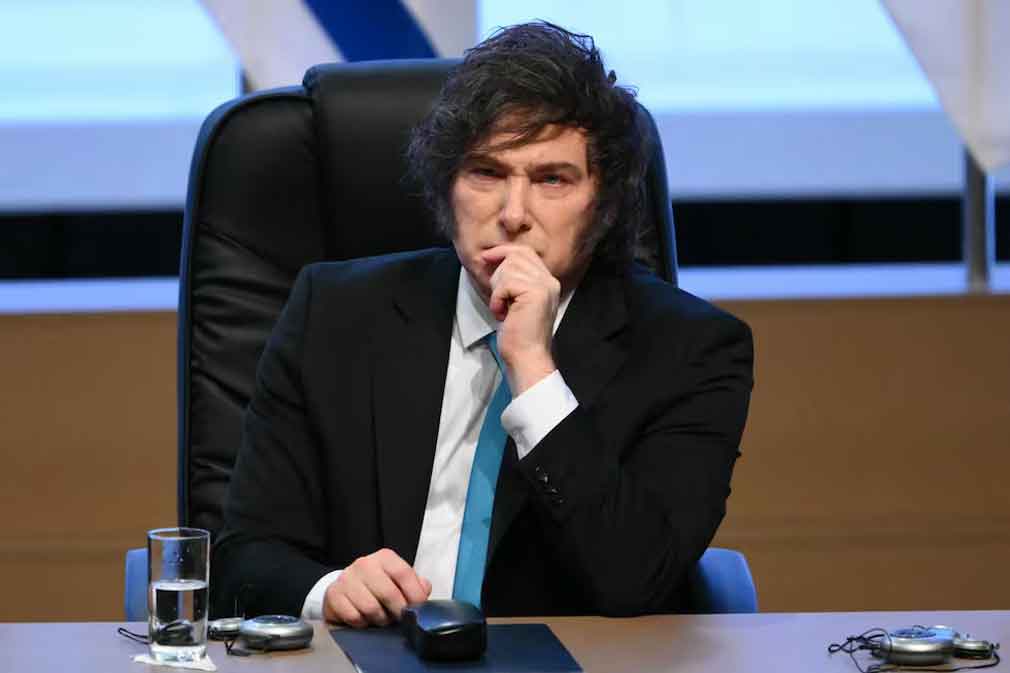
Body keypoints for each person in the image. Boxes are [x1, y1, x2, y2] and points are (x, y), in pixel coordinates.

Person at [211, 21, 753, 626]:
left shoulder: (692, 350)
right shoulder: (334, 315)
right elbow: (243, 557)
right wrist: (330, 590)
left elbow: (635, 580)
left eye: (552, 179)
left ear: (601, 206)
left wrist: (533, 369)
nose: (514, 214)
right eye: (486, 173)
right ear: (447, 188)